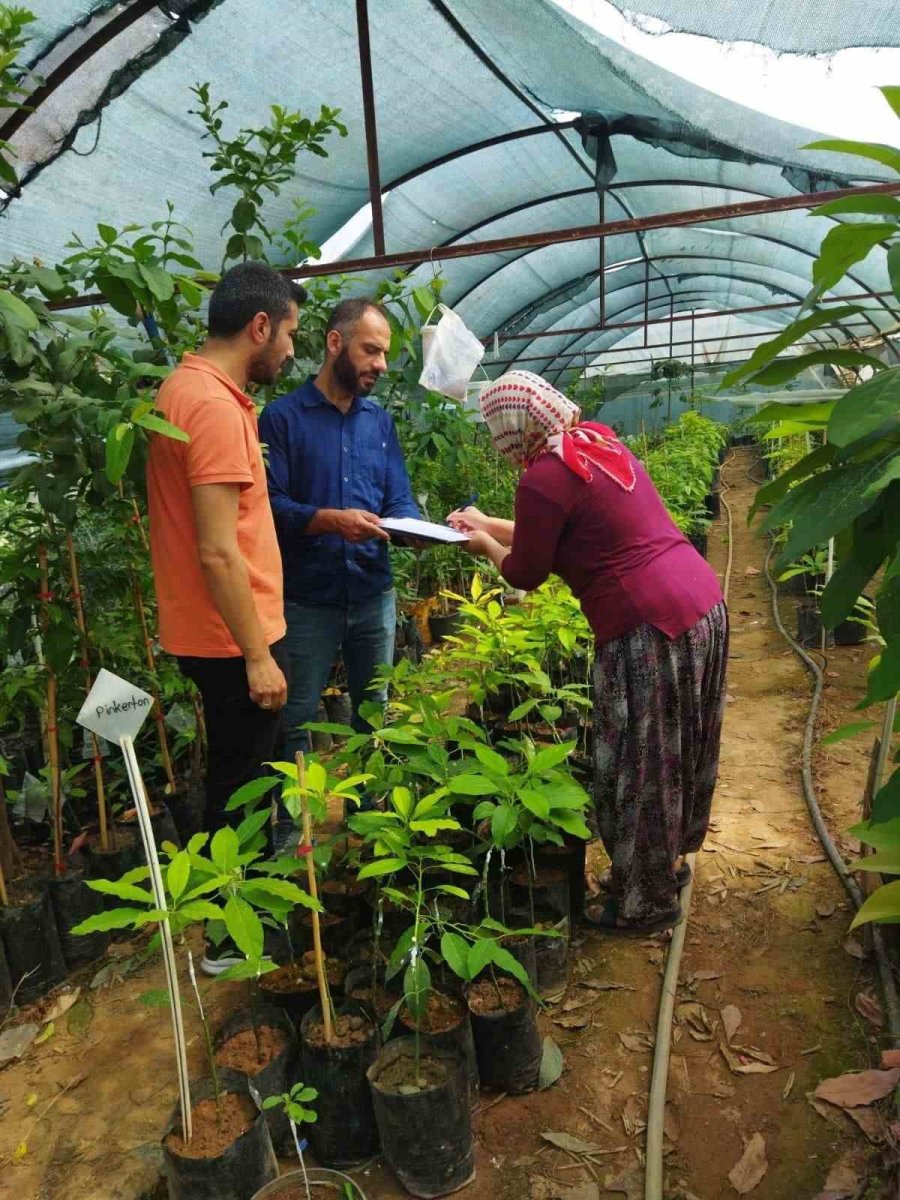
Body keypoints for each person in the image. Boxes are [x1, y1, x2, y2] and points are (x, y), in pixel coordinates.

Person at [448, 370, 727, 937]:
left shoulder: (544, 478)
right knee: (675, 750)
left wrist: (480, 543)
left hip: (648, 624)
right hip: (698, 604)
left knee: (642, 763)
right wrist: (485, 522)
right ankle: (659, 869)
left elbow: (527, 566)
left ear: (513, 425)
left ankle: (646, 904)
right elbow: (555, 531)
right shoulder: (595, 446)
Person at [146, 261, 304, 971]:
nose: (292, 352)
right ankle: (227, 938)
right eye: (292, 334)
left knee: (241, 776)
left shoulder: (186, 390)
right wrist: (258, 654)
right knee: (240, 786)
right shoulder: (210, 406)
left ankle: (243, 913)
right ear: (260, 326)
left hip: (215, 631)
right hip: (228, 637)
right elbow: (215, 550)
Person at [258, 297, 420, 795]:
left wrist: (420, 530)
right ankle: (294, 831)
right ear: (334, 343)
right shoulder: (280, 420)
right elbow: (271, 505)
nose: (381, 365)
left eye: (385, 353)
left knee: (375, 712)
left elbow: (399, 498)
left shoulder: (379, 424)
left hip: (373, 593)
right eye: (371, 350)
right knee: (299, 718)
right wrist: (329, 521)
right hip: (307, 599)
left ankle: (370, 822)